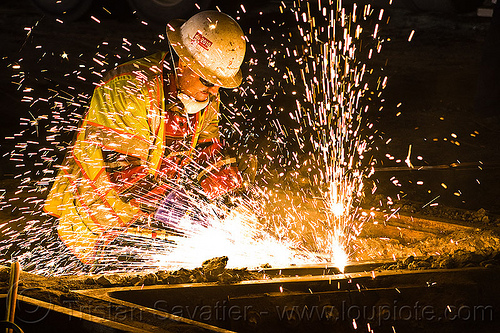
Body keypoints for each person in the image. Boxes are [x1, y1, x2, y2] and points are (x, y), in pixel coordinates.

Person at [43, 11, 248, 266]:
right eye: (208, 81)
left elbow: (209, 151)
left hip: (139, 231)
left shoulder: (205, 97)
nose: (214, 91)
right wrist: (183, 210)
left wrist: (229, 196)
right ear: (183, 64)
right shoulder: (127, 88)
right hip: (92, 227)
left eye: (220, 84)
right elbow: (126, 174)